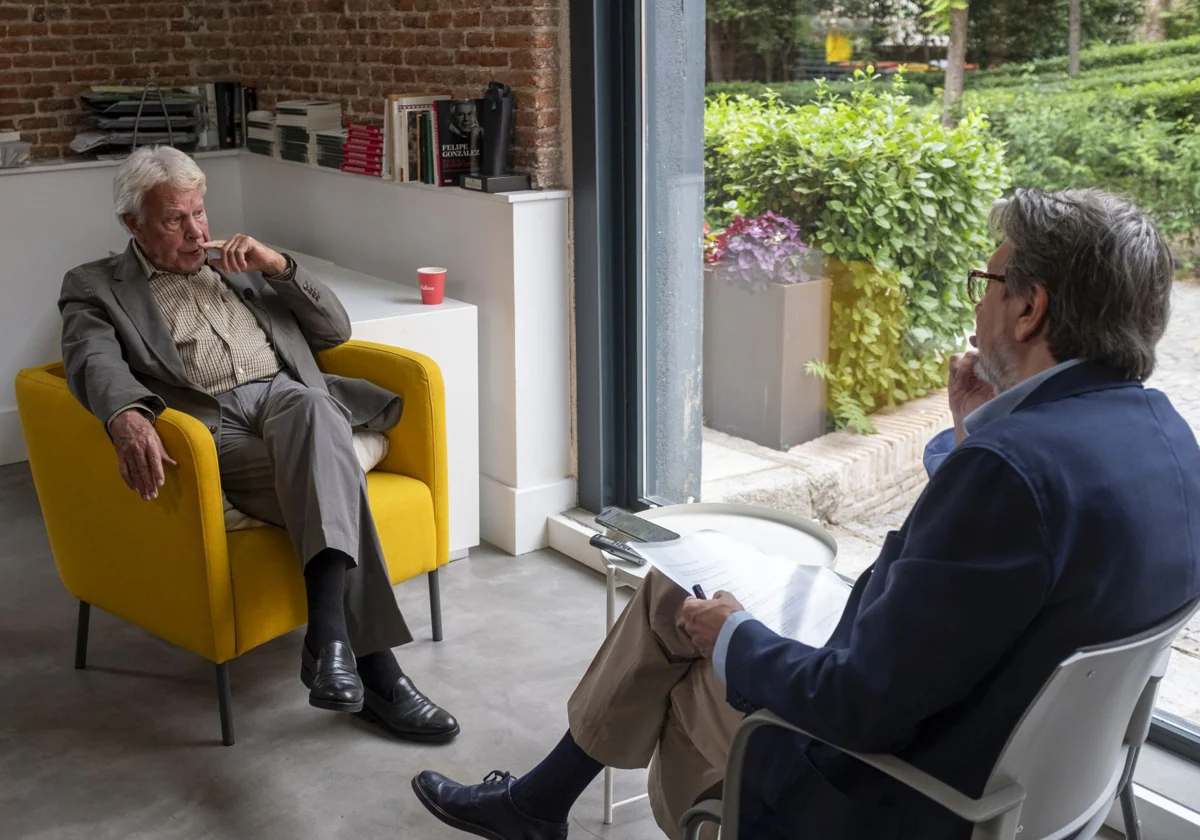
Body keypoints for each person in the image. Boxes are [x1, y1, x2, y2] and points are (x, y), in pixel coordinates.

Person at [411, 188, 1200, 840]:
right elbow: (1003, 584)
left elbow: (857, 706)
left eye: (985, 284)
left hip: (895, 797)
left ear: (1029, 309)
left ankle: (538, 805)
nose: (979, 306)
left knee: (686, 642)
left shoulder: (1009, 473)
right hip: (1027, 783)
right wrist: (969, 440)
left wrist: (737, 640)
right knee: (670, 588)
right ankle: (539, 804)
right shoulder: (1169, 439)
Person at [58, 145, 459, 744]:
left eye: (200, 213)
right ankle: (376, 669)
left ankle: (328, 641)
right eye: (175, 220)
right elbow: (91, 360)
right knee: (335, 479)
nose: (196, 232)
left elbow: (334, 331)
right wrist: (124, 414)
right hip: (211, 427)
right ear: (132, 224)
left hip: (287, 404)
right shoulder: (95, 285)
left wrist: (278, 265)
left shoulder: (241, 264)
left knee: (316, 406)